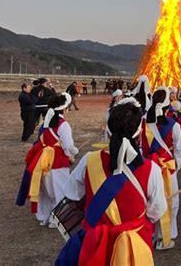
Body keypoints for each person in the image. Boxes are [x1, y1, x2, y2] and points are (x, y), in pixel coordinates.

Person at [56, 98, 166, 265]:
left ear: (108, 132)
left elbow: (72, 193)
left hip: (95, 242)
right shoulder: (152, 169)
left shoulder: (88, 160)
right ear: (139, 134)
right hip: (133, 243)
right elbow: (157, 210)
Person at [16, 93, 79, 228]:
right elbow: (68, 146)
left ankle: (44, 217)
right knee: (60, 190)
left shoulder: (46, 122)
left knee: (45, 190)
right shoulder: (63, 125)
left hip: (43, 160)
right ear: (65, 109)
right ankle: (56, 219)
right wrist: (73, 153)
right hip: (57, 161)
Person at [140, 87, 181, 250]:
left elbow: (139, 145)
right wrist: (176, 166)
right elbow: (178, 150)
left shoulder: (142, 121)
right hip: (166, 168)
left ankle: (150, 233)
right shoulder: (174, 125)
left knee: (149, 200)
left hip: (147, 167)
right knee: (171, 200)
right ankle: (165, 236)